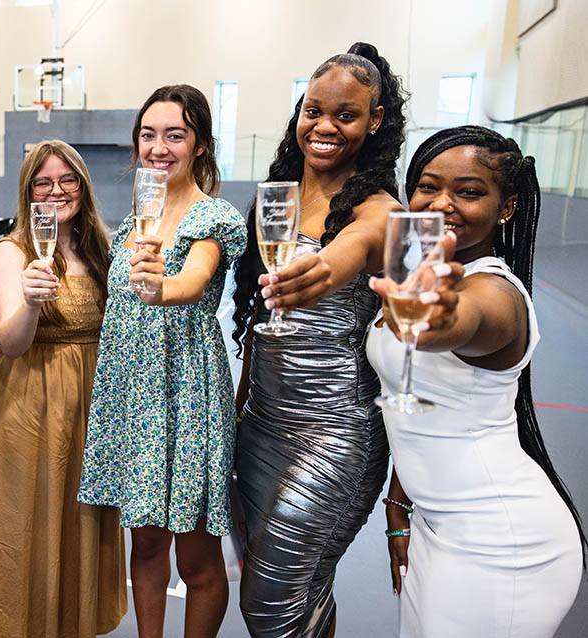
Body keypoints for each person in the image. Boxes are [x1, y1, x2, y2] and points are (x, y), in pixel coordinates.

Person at [368, 125, 586, 637]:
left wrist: (439, 318)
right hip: (434, 528)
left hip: (499, 543)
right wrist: (400, 504)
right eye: (428, 186)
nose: (443, 202)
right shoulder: (415, 272)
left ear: (505, 207)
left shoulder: (494, 293)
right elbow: (419, 403)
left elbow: (463, 322)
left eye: (468, 191)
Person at [230, 42, 407, 637]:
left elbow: (346, 253)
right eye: (313, 111)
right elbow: (257, 322)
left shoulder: (381, 210)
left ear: (375, 121)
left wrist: (322, 270)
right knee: (303, 595)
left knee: (268, 606)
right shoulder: (273, 199)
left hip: (334, 435)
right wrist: (237, 411)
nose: (324, 127)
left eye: (346, 115)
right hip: (258, 426)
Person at [78, 84, 247, 637]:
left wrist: (162, 286)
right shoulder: (131, 224)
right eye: (148, 134)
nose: (159, 147)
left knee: (197, 558)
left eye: (175, 134)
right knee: (146, 543)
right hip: (135, 398)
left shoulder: (214, 217)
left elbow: (194, 282)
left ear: (200, 144)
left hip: (187, 392)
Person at [0, 139, 127, 637]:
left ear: (82, 185)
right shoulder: (10, 252)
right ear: (28, 192)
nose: (57, 190)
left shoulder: (99, 248)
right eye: (44, 182)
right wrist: (32, 303)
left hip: (89, 404)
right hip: (29, 405)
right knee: (24, 528)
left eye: (68, 180)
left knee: (80, 528)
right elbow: (12, 344)